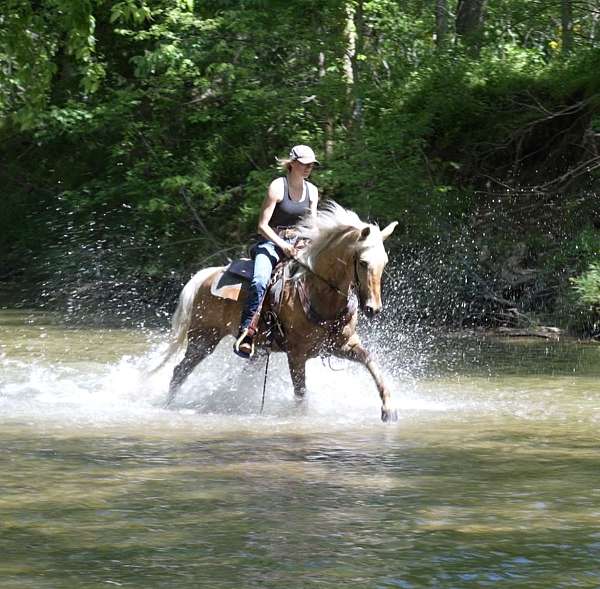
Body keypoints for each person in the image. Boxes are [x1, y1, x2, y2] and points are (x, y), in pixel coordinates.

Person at [234, 144, 319, 358]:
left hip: (300, 245)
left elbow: (313, 226)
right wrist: (283, 245)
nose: (309, 168)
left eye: (312, 165)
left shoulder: (313, 191)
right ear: (292, 164)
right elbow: (262, 226)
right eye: (304, 164)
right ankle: (247, 332)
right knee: (260, 281)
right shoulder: (277, 187)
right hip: (271, 244)